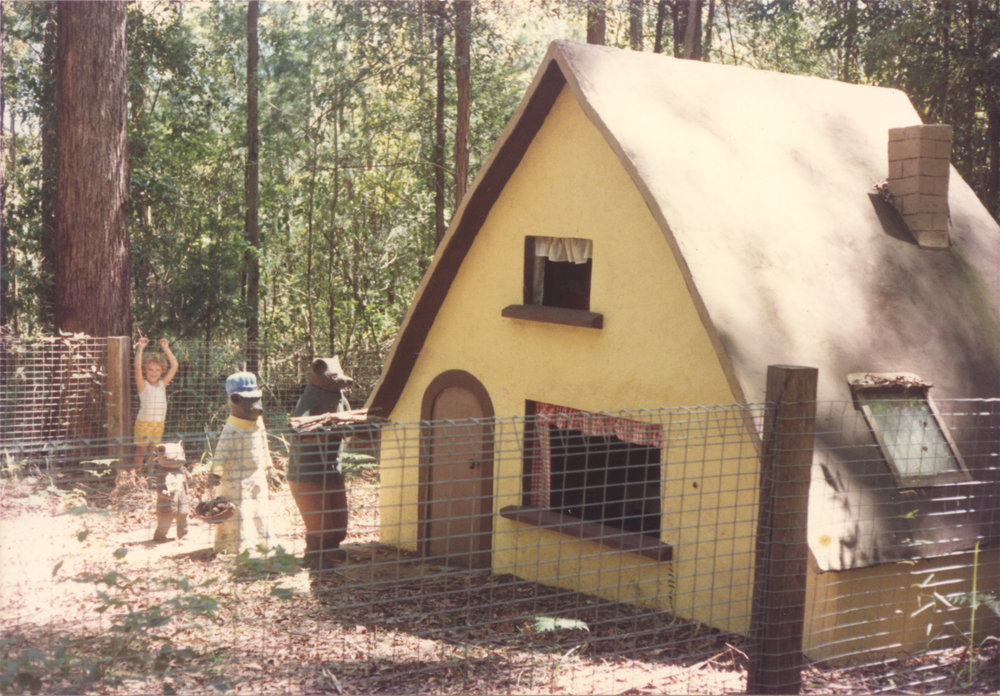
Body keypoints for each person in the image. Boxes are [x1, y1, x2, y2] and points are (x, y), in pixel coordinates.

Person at [288, 357, 353, 570]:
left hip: (333, 467)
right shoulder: (311, 396)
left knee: (338, 519)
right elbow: (299, 430)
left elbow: (350, 423)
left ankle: (331, 548)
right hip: (308, 469)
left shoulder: (339, 396)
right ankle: (315, 555)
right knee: (318, 520)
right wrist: (325, 433)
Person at [209, 371, 272, 555]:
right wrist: (216, 473)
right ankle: (235, 546)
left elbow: (263, 444)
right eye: (250, 402)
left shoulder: (258, 422)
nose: (257, 408)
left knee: (260, 509)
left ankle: (262, 543)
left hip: (257, 475)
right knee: (240, 512)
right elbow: (221, 453)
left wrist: (268, 465)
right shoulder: (231, 429)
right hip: (235, 480)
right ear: (235, 400)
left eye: (257, 400)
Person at [133, 337, 179, 468]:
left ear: (162, 371)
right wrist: (140, 348)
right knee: (141, 452)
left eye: (157, 370)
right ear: (145, 370)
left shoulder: (162, 384)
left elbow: (175, 366)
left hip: (158, 424)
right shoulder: (143, 385)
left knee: (153, 452)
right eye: (150, 369)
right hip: (143, 424)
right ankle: (137, 478)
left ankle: (150, 478)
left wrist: (166, 348)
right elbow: (136, 367)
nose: (154, 373)